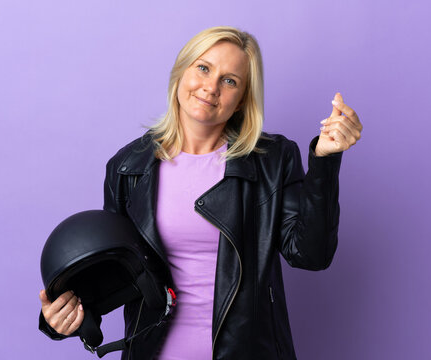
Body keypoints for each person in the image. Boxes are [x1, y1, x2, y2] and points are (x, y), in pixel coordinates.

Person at [38, 26, 362, 359]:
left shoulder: (272, 161)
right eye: (203, 68)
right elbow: (115, 274)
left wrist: (324, 162)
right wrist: (62, 319)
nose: (211, 87)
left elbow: (311, 256)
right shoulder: (127, 167)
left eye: (230, 81)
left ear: (240, 101)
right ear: (181, 72)